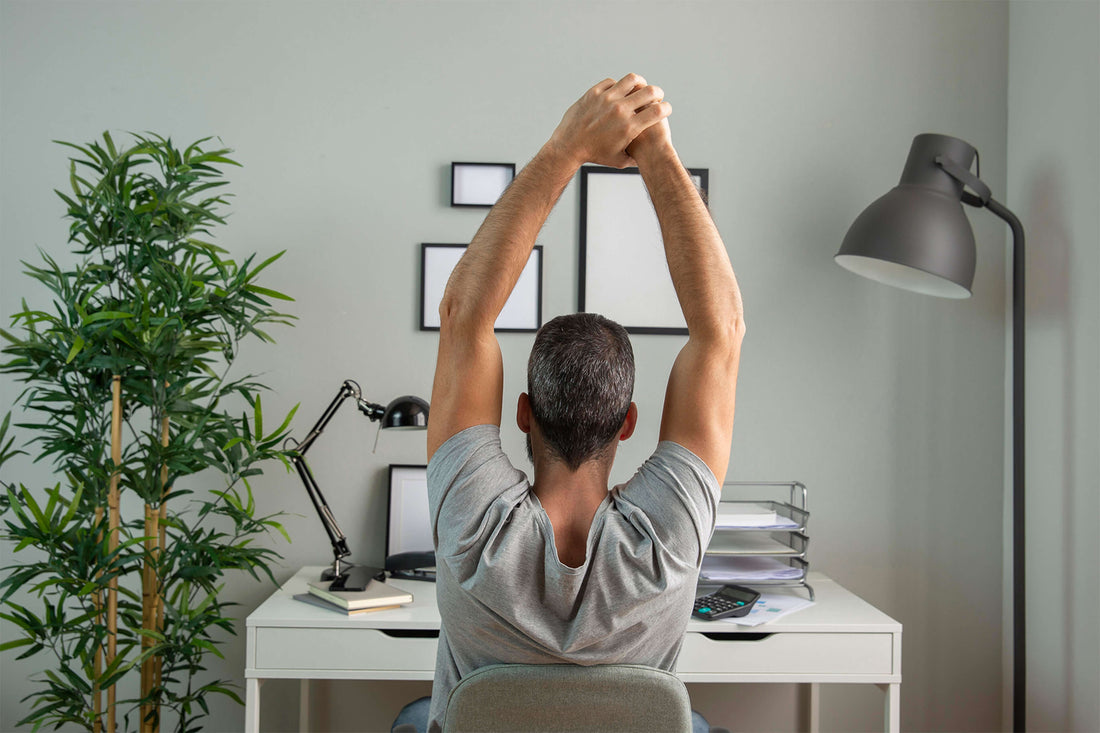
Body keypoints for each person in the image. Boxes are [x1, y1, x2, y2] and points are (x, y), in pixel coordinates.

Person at [394, 73, 745, 733]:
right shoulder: (666, 542)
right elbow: (721, 330)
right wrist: (657, 151)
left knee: (420, 718)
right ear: (630, 421)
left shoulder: (472, 525)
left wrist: (566, 146)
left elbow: (463, 315)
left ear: (523, 411)